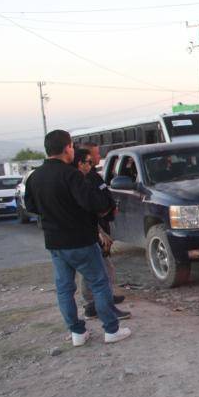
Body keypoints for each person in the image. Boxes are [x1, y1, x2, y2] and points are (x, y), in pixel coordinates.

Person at [25, 130, 131, 346]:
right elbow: (94, 203)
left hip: (55, 243)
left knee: (65, 289)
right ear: (66, 148)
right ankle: (111, 330)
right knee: (100, 284)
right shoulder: (71, 175)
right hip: (81, 240)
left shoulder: (35, 177)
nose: (73, 150)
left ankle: (77, 333)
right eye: (72, 146)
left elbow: (31, 207)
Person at [71, 147, 129, 320]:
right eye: (92, 157)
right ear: (80, 163)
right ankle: (96, 306)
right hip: (91, 232)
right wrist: (99, 230)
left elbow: (103, 196)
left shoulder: (93, 176)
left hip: (99, 227)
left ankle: (104, 302)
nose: (97, 158)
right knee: (97, 272)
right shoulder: (78, 181)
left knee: (104, 268)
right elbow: (86, 209)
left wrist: (110, 208)